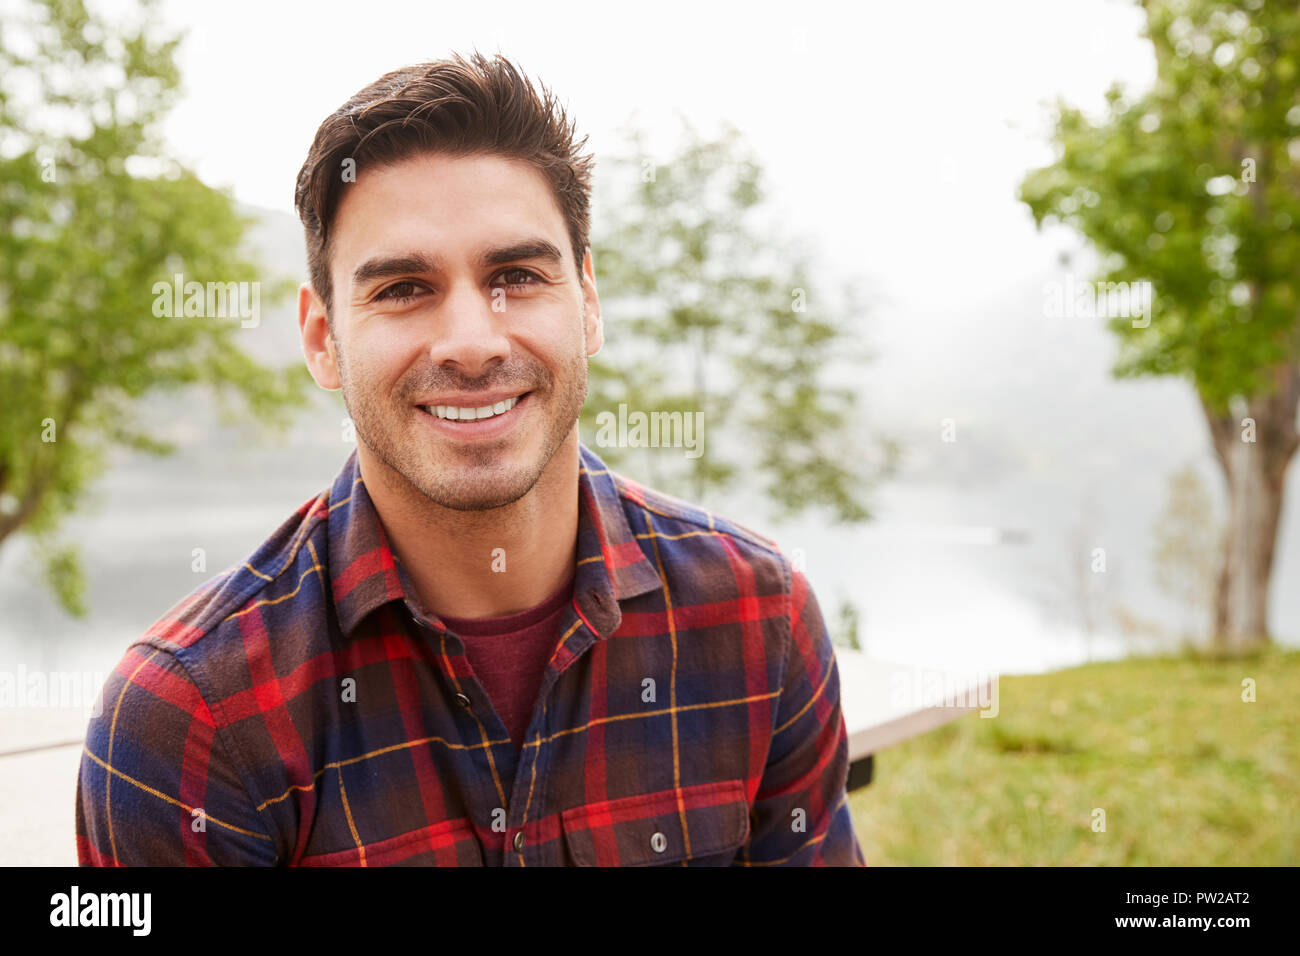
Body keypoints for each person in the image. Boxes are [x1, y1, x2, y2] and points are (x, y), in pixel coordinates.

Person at [75, 51, 865, 867]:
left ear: (588, 304)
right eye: (403, 289)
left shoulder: (757, 619)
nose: (472, 343)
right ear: (323, 341)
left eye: (517, 275)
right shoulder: (192, 719)